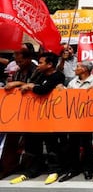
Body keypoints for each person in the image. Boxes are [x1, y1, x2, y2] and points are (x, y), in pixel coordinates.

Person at [10, 52, 66, 185]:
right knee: (33, 145)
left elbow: (44, 90)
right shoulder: (39, 74)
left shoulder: (58, 75)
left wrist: (32, 87)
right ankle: (33, 170)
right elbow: (31, 85)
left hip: (50, 118)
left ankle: (54, 170)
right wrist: (25, 85)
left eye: (41, 63)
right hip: (35, 117)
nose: (38, 65)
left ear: (50, 64)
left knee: (51, 145)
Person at [57, 61, 93, 182]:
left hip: (88, 118)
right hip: (73, 118)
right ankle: (74, 168)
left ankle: (88, 168)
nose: (75, 69)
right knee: (73, 143)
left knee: (87, 144)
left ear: (85, 69)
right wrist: (62, 89)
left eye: (78, 66)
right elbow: (68, 96)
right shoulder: (73, 82)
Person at [1, 48, 38, 179]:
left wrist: (19, 83)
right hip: (16, 111)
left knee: (30, 142)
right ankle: (7, 166)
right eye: (16, 61)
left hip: (34, 112)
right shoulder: (17, 71)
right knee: (11, 139)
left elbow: (37, 86)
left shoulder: (37, 70)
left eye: (21, 61)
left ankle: (30, 167)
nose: (18, 64)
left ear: (28, 59)